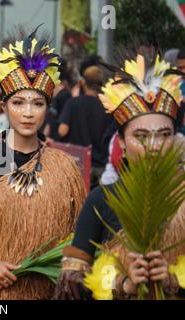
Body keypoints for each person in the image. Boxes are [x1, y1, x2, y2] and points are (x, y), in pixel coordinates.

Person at [0, 30, 86, 300]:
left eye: (37, 103)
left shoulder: (65, 168)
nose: (28, 112)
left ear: (47, 108)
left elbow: (77, 235)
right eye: (18, 102)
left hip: (44, 290)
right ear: (3, 105)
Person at [54, 50, 185, 300]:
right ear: (122, 142)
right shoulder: (100, 201)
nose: (154, 146)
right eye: (142, 136)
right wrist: (124, 284)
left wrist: (170, 280)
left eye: (164, 135)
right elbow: (71, 283)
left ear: (176, 139)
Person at [58, 65, 113, 188]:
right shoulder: (109, 106)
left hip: (78, 165)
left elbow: (62, 131)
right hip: (102, 168)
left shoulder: (73, 103)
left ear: (83, 83)